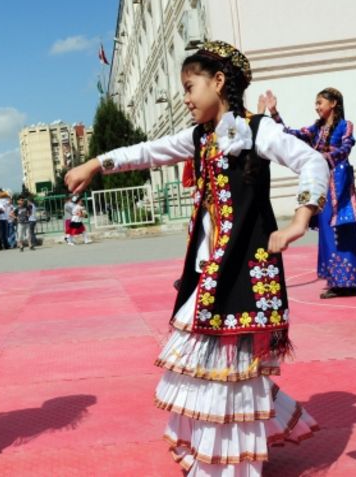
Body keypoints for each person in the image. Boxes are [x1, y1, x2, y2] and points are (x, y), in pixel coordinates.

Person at [65, 40, 329, 476]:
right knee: (205, 367)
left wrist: (299, 220)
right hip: (208, 271)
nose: (185, 98)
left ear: (219, 82)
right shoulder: (199, 136)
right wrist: (96, 163)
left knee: (230, 369)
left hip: (245, 267)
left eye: (190, 86)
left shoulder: (257, 129)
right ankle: (215, 457)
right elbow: (148, 151)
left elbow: (312, 162)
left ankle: (231, 467)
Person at [265, 88, 356, 299]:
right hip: (323, 182)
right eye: (316, 103)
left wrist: (324, 157)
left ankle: (353, 281)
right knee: (327, 229)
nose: (316, 107)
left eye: (320, 103)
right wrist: (274, 113)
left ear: (333, 103)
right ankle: (345, 279)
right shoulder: (315, 128)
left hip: (340, 184)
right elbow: (292, 134)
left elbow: (346, 147)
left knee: (344, 227)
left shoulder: (345, 125)